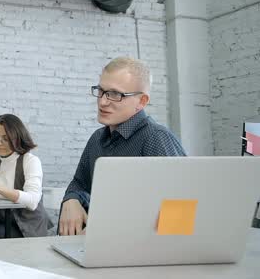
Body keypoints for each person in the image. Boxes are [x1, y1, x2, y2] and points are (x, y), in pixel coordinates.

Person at [58, 57, 186, 236]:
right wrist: (71, 200)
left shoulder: (156, 139)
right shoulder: (97, 139)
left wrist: (110, 231)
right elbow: (79, 183)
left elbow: (180, 216)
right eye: (101, 91)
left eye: (115, 94)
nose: (102, 102)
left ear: (142, 101)